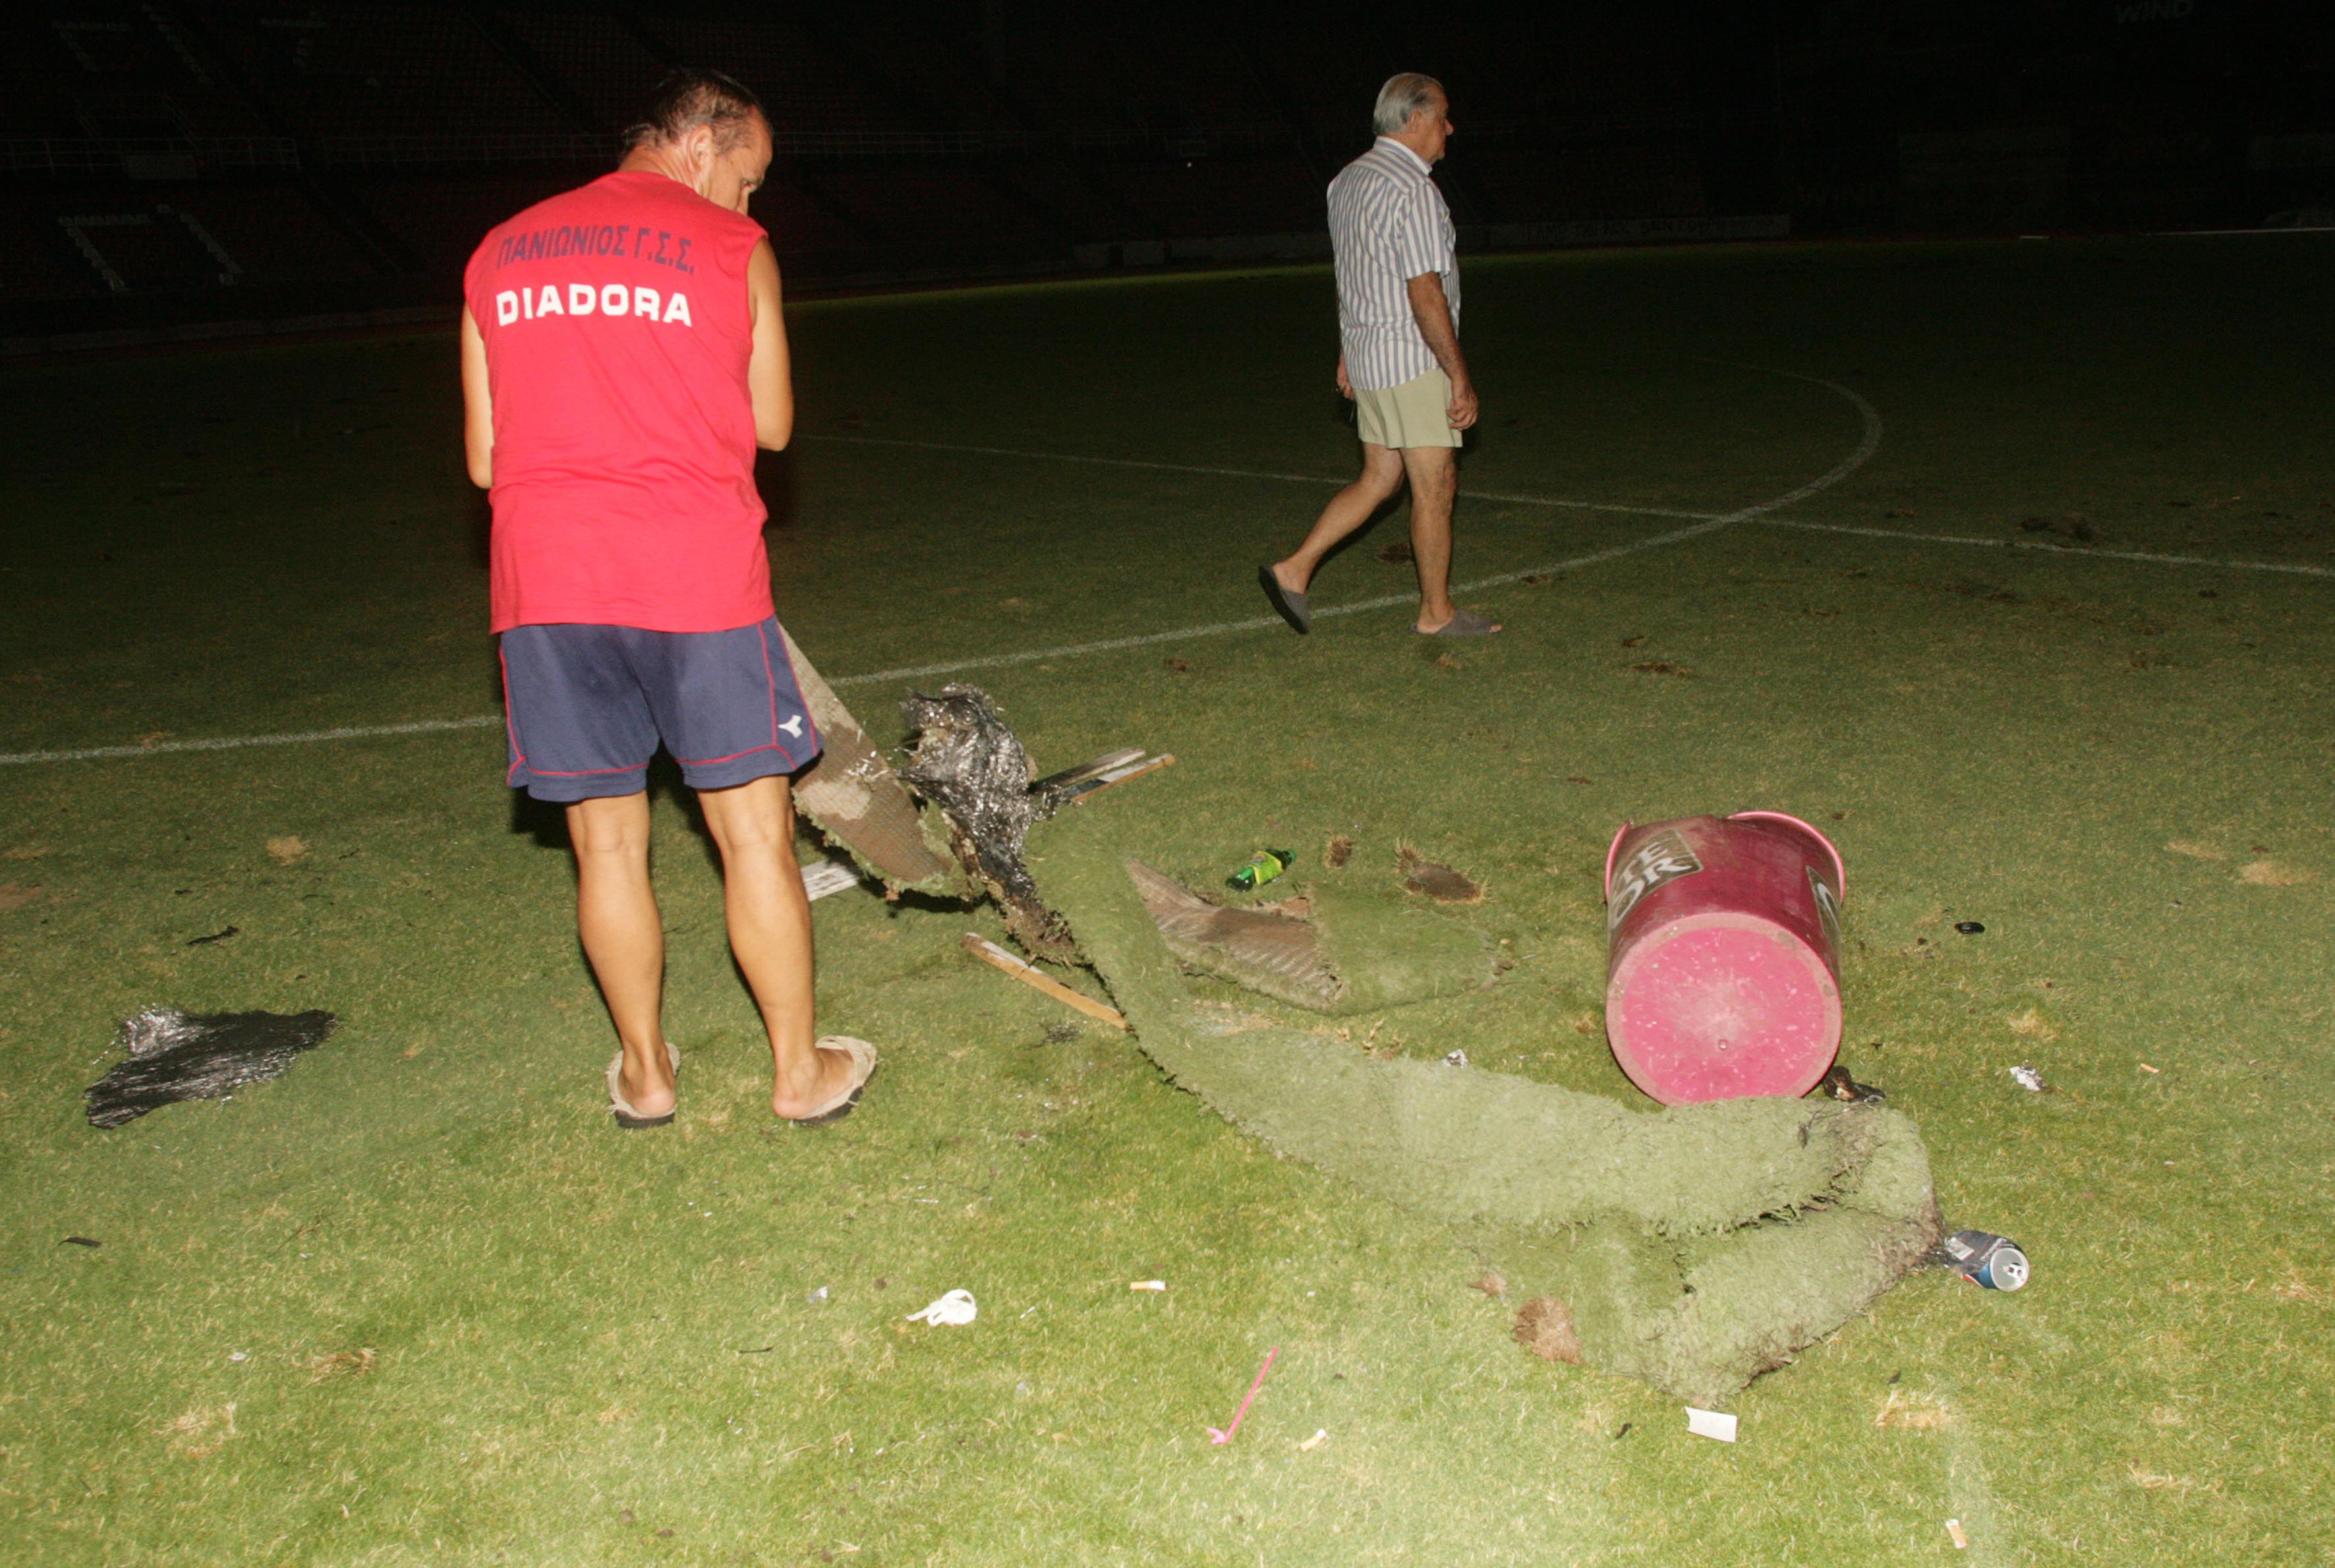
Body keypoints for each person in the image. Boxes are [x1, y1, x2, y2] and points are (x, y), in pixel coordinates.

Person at [459, 70, 876, 1129]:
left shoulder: (499, 249)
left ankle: (646, 1075)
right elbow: (773, 424)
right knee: (753, 836)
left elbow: (484, 458)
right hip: (691, 575)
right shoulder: (730, 247)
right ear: (700, 142)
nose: (753, 198)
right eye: (750, 174)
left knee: (605, 846)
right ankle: (797, 1073)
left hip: (547, 581)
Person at [1260, 73, 1499, 639]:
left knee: (1379, 478)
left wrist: (1347, 349)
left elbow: (1352, 274)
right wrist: (1457, 374)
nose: (1449, 127)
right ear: (1413, 119)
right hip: (1413, 360)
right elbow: (1424, 291)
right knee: (1435, 484)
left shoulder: (1344, 181)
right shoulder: (1413, 188)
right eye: (1442, 115)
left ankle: (1293, 569)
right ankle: (1436, 613)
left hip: (1369, 355)